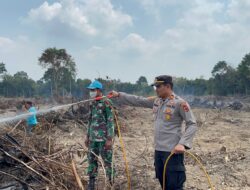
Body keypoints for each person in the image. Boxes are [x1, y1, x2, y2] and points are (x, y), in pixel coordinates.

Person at [110, 75, 197, 190]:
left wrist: (182, 144)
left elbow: (192, 124)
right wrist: (119, 95)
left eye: (158, 86)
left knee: (175, 186)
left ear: (168, 86)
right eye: (155, 87)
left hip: (172, 152)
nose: (156, 89)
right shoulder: (157, 101)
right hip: (159, 151)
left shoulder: (180, 103)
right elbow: (138, 100)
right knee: (164, 184)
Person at [85, 80, 115, 190]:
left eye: (93, 90)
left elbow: (111, 121)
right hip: (93, 139)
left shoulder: (106, 102)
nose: (91, 92)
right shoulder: (92, 102)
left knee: (108, 162)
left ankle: (111, 183)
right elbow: (90, 120)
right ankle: (91, 184)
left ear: (98, 90)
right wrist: (87, 136)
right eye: (90, 90)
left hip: (104, 139)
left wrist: (109, 139)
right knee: (92, 161)